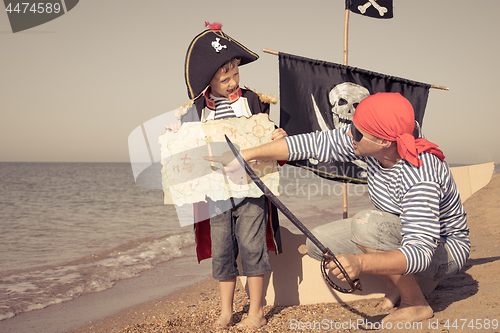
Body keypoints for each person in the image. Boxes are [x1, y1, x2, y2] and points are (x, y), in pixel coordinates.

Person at [218, 92, 470, 325]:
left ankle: (416, 303)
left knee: (366, 224)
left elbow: (420, 251)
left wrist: (360, 263)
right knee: (320, 242)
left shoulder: (420, 174)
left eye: (357, 132)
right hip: (397, 232)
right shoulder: (369, 141)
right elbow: (309, 145)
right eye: (351, 127)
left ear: (383, 140)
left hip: (443, 250)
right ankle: (395, 283)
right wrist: (246, 155)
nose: (350, 135)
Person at [166, 22, 287, 330]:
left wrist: (277, 136)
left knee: (251, 243)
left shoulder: (253, 101)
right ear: (209, 80)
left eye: (236, 74)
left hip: (251, 185)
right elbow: (188, 147)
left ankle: (256, 311)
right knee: (222, 248)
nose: (233, 82)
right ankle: (225, 311)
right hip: (215, 190)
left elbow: (268, 137)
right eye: (224, 78)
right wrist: (177, 135)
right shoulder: (196, 109)